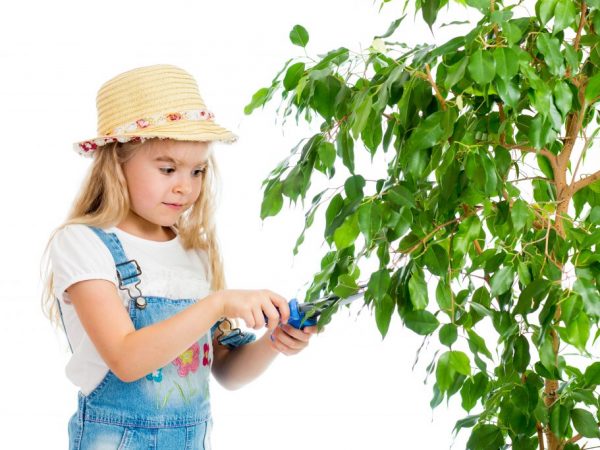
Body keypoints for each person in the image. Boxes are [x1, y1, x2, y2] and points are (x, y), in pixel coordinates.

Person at [40, 64, 319, 450]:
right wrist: (218, 302)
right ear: (117, 163)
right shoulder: (83, 243)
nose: (185, 188)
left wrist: (273, 340)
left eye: (198, 171)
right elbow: (126, 358)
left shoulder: (195, 251)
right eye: (168, 168)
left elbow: (224, 370)